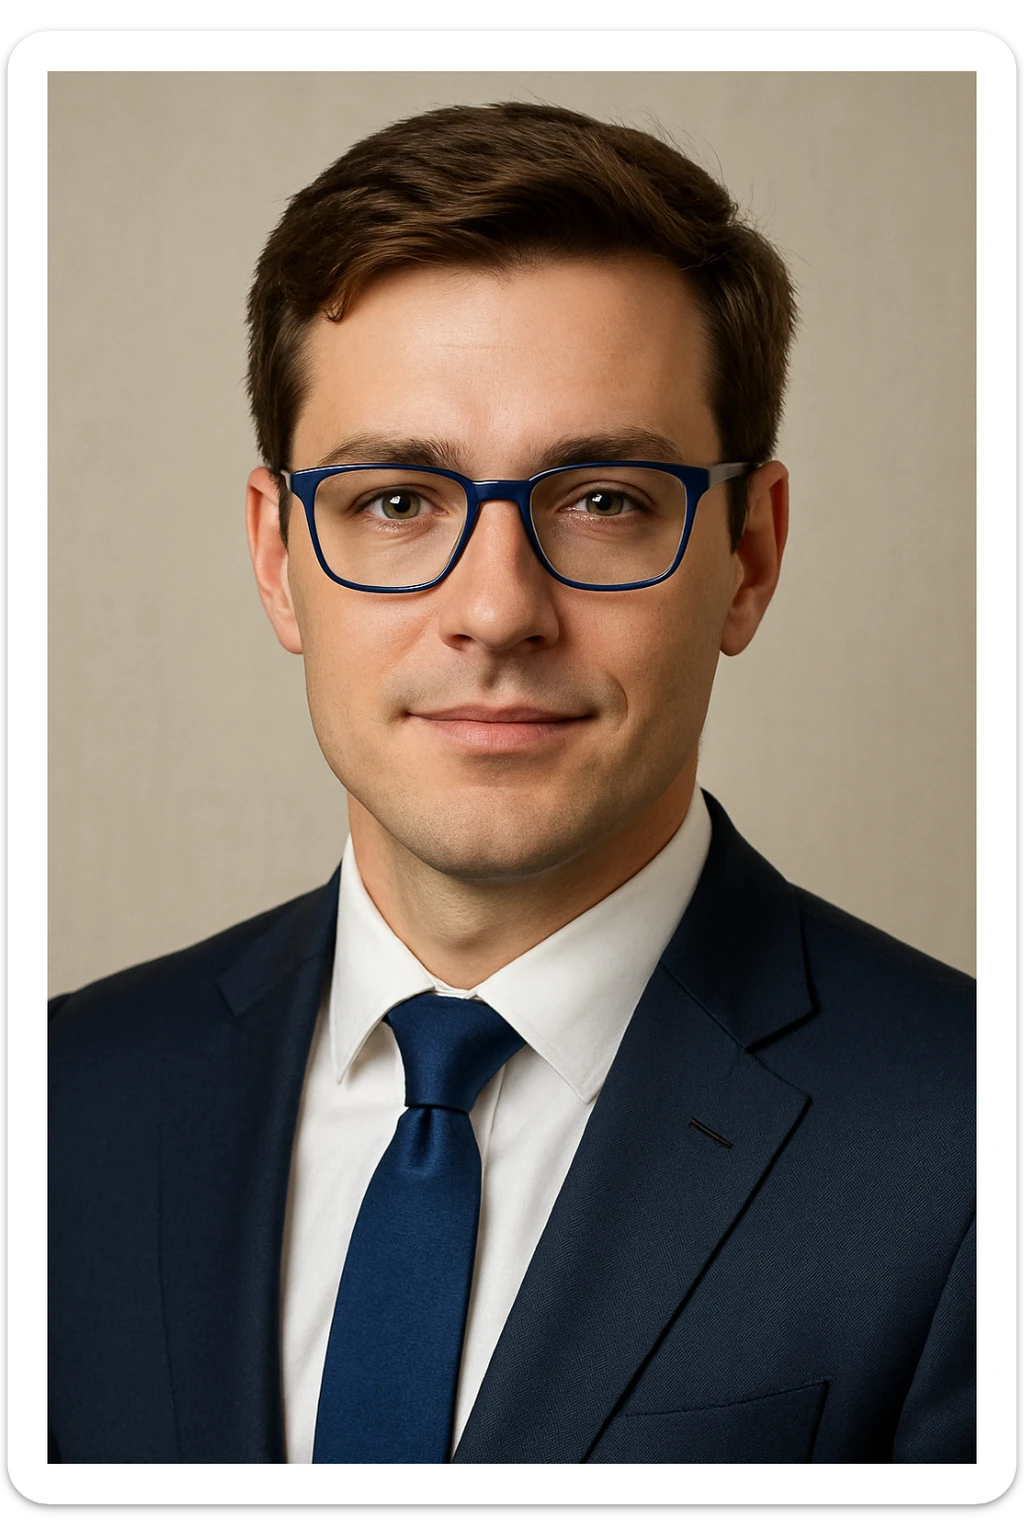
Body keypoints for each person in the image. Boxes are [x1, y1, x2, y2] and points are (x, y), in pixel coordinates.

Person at [48, 101, 975, 1466]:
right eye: (395, 501)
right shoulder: (59, 1107)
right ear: (275, 557)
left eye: (604, 499)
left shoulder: (975, 1147)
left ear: (751, 554)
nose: (496, 611)